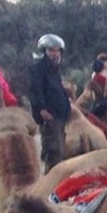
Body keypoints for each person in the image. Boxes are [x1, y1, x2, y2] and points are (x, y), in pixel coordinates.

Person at [29, 34, 73, 168]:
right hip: (49, 115)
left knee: (60, 151)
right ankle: (49, 184)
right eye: (52, 50)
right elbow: (35, 90)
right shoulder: (38, 68)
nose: (55, 53)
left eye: (57, 50)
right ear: (44, 51)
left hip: (60, 115)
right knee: (54, 151)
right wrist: (41, 109)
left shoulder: (55, 69)